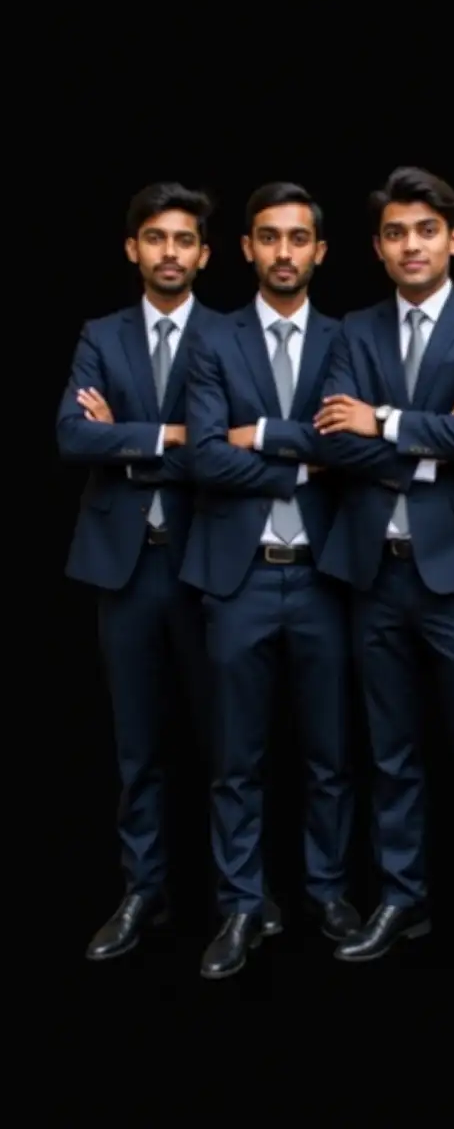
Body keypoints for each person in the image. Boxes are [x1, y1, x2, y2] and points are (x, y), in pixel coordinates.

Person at [312, 166, 454, 990]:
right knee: (390, 756)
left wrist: (390, 422)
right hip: (376, 573)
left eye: (426, 231)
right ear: (378, 246)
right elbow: (333, 442)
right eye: (396, 233)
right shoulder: (352, 331)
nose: (411, 245)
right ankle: (402, 901)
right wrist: (440, 441)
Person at [182, 182, 358, 979]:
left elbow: (355, 452)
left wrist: (263, 437)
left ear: (320, 251)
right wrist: (302, 458)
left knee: (328, 751)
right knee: (236, 758)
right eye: (268, 237)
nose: (284, 252)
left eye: (298, 238)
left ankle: (326, 891)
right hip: (237, 575)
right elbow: (203, 456)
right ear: (247, 249)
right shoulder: (213, 340)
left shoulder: (349, 340)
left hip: (326, 575)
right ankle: (240, 906)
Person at [56, 182, 236, 959]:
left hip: (208, 559)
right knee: (138, 747)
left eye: (184, 239)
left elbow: (224, 445)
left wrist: (126, 437)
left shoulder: (229, 336)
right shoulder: (100, 333)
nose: (170, 252)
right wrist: (174, 436)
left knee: (228, 742)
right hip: (123, 567)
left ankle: (234, 900)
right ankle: (143, 892)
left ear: (204, 253)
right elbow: (70, 435)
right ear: (133, 248)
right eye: (155, 238)